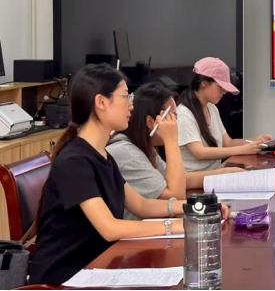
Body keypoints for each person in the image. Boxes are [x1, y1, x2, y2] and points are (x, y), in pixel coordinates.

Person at [28, 64, 230, 286]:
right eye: (126, 96)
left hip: (97, 267)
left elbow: (141, 205)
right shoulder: (75, 161)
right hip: (64, 278)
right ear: (101, 102)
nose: (131, 105)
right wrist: (179, 226)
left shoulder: (102, 154)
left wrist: (198, 208)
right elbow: (110, 228)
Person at [107, 82, 245, 220]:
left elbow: (181, 180)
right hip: (140, 230)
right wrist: (171, 140)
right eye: (172, 117)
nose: (176, 124)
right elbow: (175, 198)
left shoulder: (145, 147)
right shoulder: (127, 152)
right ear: (150, 122)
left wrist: (223, 174)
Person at [178, 57, 273, 172]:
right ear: (204, 83)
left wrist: (257, 140)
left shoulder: (211, 108)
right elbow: (200, 153)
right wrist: (242, 150)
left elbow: (228, 143)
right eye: (221, 87)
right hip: (193, 178)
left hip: (215, 173)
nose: (224, 92)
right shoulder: (184, 114)